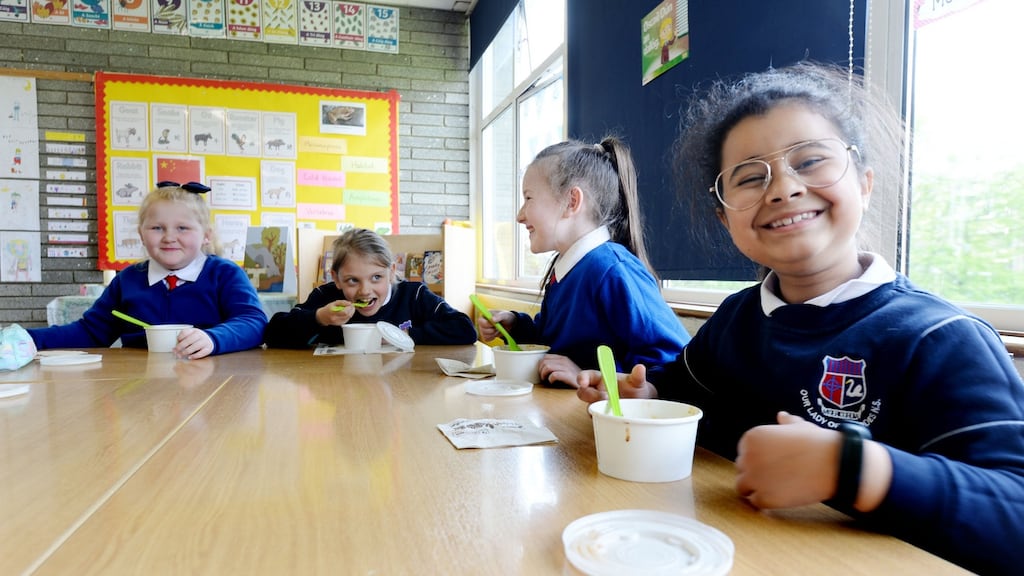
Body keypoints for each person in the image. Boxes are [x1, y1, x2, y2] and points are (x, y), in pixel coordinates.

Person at [576, 62, 1024, 574]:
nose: (783, 189)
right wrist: (646, 396)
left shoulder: (942, 339)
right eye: (749, 177)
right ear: (726, 219)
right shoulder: (736, 319)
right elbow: (679, 395)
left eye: (810, 161)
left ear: (865, 183)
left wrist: (852, 468)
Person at [477, 137, 689, 388]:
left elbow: (673, 360)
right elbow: (552, 339)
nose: (519, 216)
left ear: (572, 202)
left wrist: (589, 376)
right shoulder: (565, 270)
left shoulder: (611, 269)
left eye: (528, 198)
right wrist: (515, 325)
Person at [28, 182, 268, 359]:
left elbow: (253, 323)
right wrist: (30, 338)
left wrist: (214, 339)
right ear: (141, 234)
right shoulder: (128, 280)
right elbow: (91, 332)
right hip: (140, 385)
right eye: (157, 228)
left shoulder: (224, 274)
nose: (169, 237)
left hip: (211, 381)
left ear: (206, 235)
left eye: (183, 228)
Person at [263, 227, 476, 348]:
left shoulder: (414, 295)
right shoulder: (326, 296)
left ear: (392, 272)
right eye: (352, 280)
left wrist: (403, 336)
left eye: (376, 277)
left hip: (400, 386)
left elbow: (465, 329)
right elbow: (272, 334)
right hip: (338, 383)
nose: (365, 290)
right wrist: (319, 318)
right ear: (336, 278)